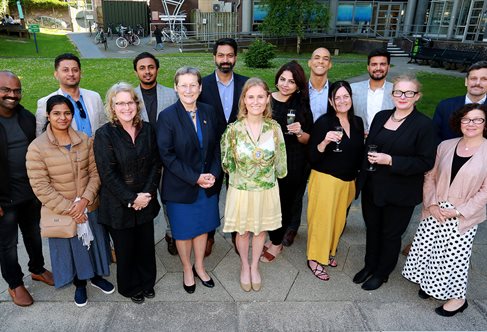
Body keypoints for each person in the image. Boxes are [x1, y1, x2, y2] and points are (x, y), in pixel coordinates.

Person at [26, 95, 114, 307]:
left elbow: (95, 173)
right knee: (71, 249)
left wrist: (85, 199)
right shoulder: (37, 147)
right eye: (56, 113)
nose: (62, 118)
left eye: (67, 113)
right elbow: (40, 185)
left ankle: (94, 277)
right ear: (48, 115)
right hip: (62, 211)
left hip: (88, 205)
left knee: (93, 245)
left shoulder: (84, 140)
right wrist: (70, 208)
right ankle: (79, 284)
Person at [353, 74, 437, 291]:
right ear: (392, 95)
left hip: (401, 191)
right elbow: (369, 147)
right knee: (372, 229)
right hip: (373, 187)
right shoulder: (381, 117)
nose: (403, 96)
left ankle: (382, 273)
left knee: (390, 234)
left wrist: (391, 160)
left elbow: (425, 161)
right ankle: (369, 265)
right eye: (398, 92)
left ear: (417, 96)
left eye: (409, 93)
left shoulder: (423, 125)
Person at [403, 103, 487, 317]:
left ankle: (458, 299)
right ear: (459, 122)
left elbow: (485, 192)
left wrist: (458, 211)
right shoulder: (446, 145)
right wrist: (431, 204)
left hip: (462, 215)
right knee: (430, 250)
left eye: (478, 119)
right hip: (435, 209)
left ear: (485, 124)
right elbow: (430, 176)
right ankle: (431, 285)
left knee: (454, 258)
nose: (471, 124)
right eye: (466, 119)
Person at [94, 82, 161, 304]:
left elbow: (155, 164)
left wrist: (147, 195)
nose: (126, 107)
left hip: (145, 199)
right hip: (118, 204)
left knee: (145, 246)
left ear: (137, 104)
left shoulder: (148, 129)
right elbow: (107, 173)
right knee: (126, 249)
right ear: (112, 107)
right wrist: (132, 199)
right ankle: (131, 287)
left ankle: (147, 283)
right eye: (120, 103)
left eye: (130, 102)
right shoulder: (104, 135)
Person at [157, 67, 220, 294]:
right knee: (183, 232)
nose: (188, 89)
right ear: (175, 88)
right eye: (183, 85)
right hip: (180, 186)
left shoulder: (209, 112)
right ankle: (186, 268)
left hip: (207, 185)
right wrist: (195, 178)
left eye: (193, 84)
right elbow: (167, 155)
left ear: (200, 87)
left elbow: (217, 147)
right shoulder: (167, 117)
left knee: (202, 228)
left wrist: (213, 173)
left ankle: (200, 267)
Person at [221, 77, 287, 292]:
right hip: (241, 190)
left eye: (260, 96)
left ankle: (255, 266)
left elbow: (281, 163)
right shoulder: (233, 130)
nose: (256, 101)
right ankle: (244, 266)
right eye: (251, 97)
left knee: (260, 231)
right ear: (244, 100)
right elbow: (226, 163)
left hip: (266, 189)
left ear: (268, 99)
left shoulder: (275, 129)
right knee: (242, 232)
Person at [0, 71, 54, 307]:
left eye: (16, 91)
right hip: (4, 198)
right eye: (6, 90)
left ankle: (37, 269)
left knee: (33, 234)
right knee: (8, 244)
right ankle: (15, 283)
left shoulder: (27, 118)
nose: (12, 95)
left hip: (30, 192)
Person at [306, 81, 364, 280]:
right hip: (325, 180)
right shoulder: (323, 122)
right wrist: (324, 142)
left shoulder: (357, 122)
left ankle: (329, 251)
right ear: (331, 101)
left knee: (338, 221)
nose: (342, 101)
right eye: (337, 97)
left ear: (350, 98)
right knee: (321, 221)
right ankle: (314, 258)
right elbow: (313, 156)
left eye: (345, 96)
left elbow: (358, 153)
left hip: (347, 182)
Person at [198, 37, 249, 256]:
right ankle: (208, 235)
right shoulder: (203, 85)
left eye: (229, 55)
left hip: (240, 154)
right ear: (214, 58)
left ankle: (239, 235)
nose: (225, 59)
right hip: (211, 153)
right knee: (211, 195)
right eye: (221, 55)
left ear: (235, 57)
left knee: (239, 195)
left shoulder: (246, 84)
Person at [260, 61, 313, 262]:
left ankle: (276, 243)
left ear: (298, 84)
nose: (285, 84)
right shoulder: (266, 99)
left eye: (291, 81)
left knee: (283, 203)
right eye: (282, 79)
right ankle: (273, 236)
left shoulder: (301, 103)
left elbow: (309, 138)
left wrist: (299, 132)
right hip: (266, 161)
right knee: (268, 203)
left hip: (293, 161)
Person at [133, 52, 179, 256]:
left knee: (170, 200)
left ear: (157, 69)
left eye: (151, 67)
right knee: (144, 202)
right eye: (142, 68)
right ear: (136, 72)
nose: (147, 71)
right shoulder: (130, 98)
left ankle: (172, 234)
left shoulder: (172, 94)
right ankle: (143, 241)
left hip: (168, 159)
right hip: (142, 162)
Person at [36, 53, 107, 137]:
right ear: (56, 74)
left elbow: (103, 126)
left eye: (75, 70)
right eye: (65, 70)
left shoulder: (94, 97)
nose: (71, 74)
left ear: (81, 73)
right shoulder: (45, 102)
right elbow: (41, 135)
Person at [433, 61, 487, 141]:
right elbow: (434, 136)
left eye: (484, 79)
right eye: (473, 78)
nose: (477, 83)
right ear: (466, 81)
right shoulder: (445, 106)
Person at [351, 49, 394, 133]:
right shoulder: (353, 89)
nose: (378, 68)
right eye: (374, 64)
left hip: (386, 142)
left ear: (388, 67)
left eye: (382, 64)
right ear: (368, 67)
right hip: (359, 141)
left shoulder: (396, 91)